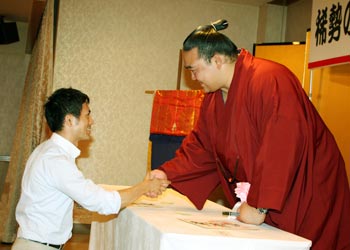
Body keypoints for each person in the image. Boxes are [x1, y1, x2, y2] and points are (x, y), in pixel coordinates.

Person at [151, 19, 350, 250]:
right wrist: (166, 173)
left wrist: (259, 206)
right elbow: (202, 147)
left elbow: (283, 146)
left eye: (194, 70)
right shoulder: (214, 99)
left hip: (307, 192)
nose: (193, 78)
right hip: (267, 197)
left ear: (216, 60)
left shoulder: (270, 79)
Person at [12, 88, 170, 250]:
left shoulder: (47, 150)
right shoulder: (56, 160)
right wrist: (145, 186)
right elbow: (101, 202)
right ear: (69, 120)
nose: (91, 121)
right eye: (87, 115)